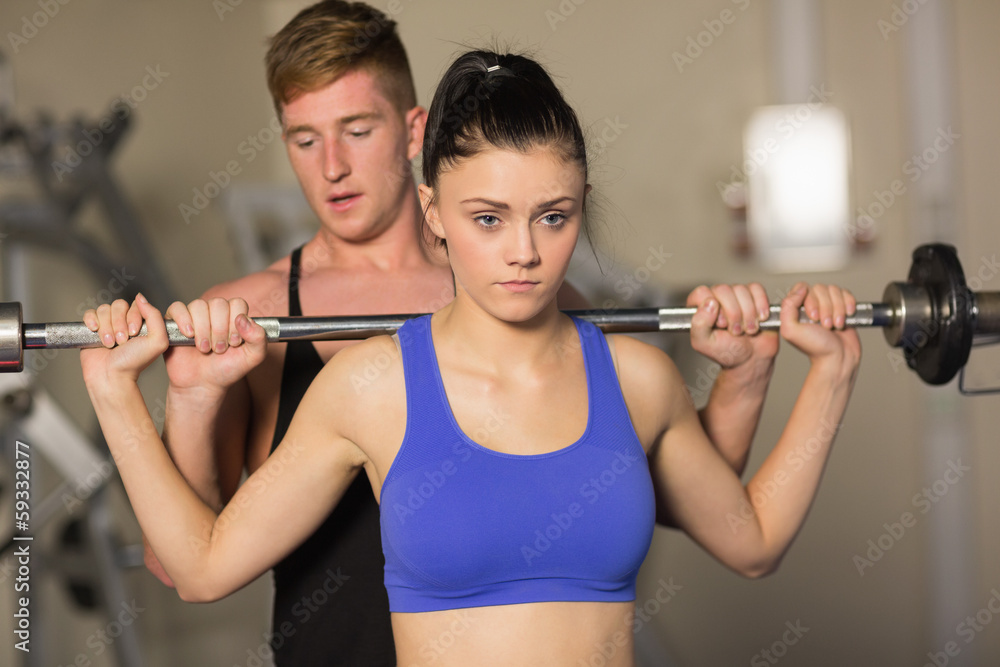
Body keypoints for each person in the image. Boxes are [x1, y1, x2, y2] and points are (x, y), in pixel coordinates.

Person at [81, 48, 860, 666]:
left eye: (552, 217)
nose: (523, 252)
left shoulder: (635, 377)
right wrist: (115, 393)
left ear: (580, 205)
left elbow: (753, 542)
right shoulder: (372, 385)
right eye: (488, 218)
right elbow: (203, 566)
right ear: (435, 213)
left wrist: (831, 369)